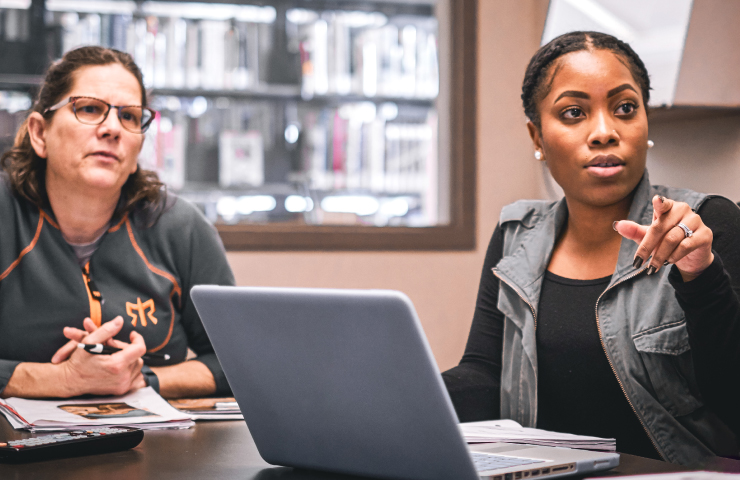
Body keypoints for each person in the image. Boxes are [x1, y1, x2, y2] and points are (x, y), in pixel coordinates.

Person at [442, 31, 740, 464]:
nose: (604, 132)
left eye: (624, 108)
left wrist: (700, 275)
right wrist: (405, 396)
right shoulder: (515, 235)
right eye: (574, 113)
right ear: (537, 138)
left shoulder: (707, 225)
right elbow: (484, 373)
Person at [0, 46, 234, 399]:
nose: (112, 129)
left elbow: (237, 362)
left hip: (155, 449)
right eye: (90, 108)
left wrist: (142, 379)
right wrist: (63, 379)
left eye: (129, 116)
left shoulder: (180, 227)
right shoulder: (5, 213)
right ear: (39, 133)